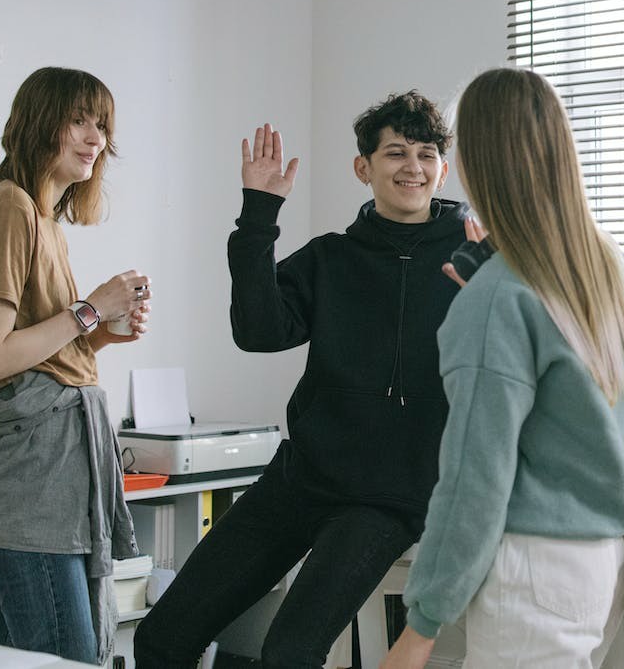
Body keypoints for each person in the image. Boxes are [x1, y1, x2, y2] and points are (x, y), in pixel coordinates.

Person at [134, 92, 467, 669]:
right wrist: (259, 213)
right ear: (363, 167)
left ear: (443, 166)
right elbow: (258, 331)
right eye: (395, 153)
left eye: (426, 153)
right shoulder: (331, 258)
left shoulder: (475, 257)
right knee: (161, 638)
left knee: (288, 654)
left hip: (391, 497)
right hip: (303, 478)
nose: (413, 167)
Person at [383, 67, 624, 669]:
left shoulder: (499, 297)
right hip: (601, 561)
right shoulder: (603, 266)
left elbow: (476, 479)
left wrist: (419, 628)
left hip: (532, 569)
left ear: (473, 163)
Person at [0, 66, 150, 664]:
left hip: (48, 483)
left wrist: (103, 334)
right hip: (27, 487)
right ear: (40, 123)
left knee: (14, 658)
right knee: (68, 657)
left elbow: (39, 360)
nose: (95, 138)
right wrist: (91, 310)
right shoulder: (9, 210)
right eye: (79, 120)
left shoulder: (42, 221)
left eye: (102, 125)